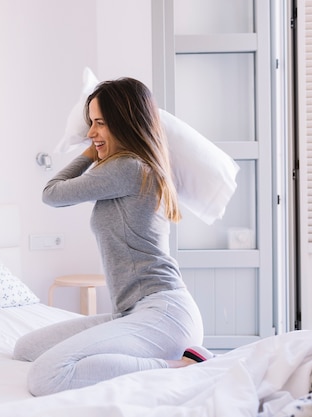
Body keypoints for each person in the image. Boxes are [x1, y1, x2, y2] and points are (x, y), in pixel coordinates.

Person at [13, 78, 211, 396]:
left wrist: (90, 154)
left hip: (164, 315)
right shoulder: (137, 168)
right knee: (26, 348)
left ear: (124, 124)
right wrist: (98, 146)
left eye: (100, 124)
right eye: (90, 124)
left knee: (46, 376)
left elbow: (52, 194)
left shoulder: (129, 168)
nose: (91, 133)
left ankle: (182, 366)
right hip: (134, 311)